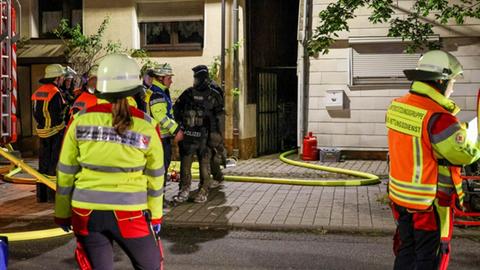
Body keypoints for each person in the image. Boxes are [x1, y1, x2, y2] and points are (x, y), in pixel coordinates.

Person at [54, 54, 164, 270]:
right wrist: (156, 215)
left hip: (85, 212)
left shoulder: (80, 120)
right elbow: (155, 176)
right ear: (135, 88)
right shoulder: (147, 126)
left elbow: (65, 172)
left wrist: (62, 213)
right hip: (130, 212)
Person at [386, 50, 480, 270]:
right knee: (429, 258)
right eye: (453, 81)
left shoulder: (398, 106)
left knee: (406, 251)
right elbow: (464, 154)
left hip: (400, 198)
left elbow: (422, 141)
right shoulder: (439, 118)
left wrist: (459, 130)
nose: (453, 87)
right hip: (429, 203)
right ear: (440, 80)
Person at [172, 65, 224, 203]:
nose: (194, 81)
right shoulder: (188, 93)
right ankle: (184, 190)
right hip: (189, 135)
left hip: (205, 137)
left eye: (196, 78)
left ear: (203, 79)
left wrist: (215, 136)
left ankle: (203, 191)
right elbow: (176, 110)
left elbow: (219, 118)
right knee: (185, 165)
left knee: (204, 165)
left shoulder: (214, 95)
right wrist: (180, 127)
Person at [146, 63, 184, 201]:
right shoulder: (157, 94)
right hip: (159, 138)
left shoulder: (159, 91)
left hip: (160, 137)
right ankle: (157, 201)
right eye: (169, 78)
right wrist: (176, 130)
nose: (171, 81)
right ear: (161, 78)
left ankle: (158, 199)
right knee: (160, 171)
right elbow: (160, 116)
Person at [31, 64, 67, 202]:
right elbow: (57, 113)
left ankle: (42, 196)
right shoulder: (55, 92)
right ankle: (52, 195)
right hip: (54, 132)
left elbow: (36, 113)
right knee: (54, 163)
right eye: (62, 77)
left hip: (42, 131)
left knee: (43, 163)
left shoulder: (38, 92)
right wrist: (61, 128)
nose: (63, 79)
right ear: (57, 78)